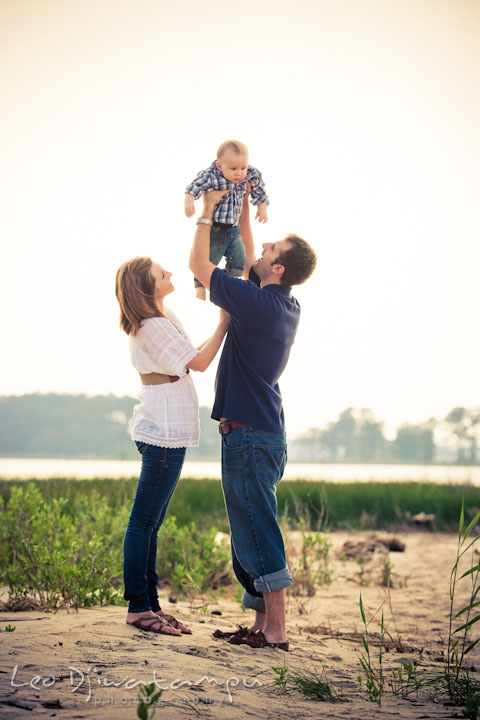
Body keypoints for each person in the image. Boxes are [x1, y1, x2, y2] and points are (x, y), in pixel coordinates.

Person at [189, 190, 317, 652]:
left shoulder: (260, 305)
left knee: (258, 530)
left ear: (278, 269)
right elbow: (248, 261)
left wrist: (206, 214)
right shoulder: (283, 305)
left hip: (250, 435)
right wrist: (241, 203)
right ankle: (262, 627)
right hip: (259, 433)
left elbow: (201, 268)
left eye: (269, 251)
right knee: (250, 529)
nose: (260, 249)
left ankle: (277, 632)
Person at [115, 256, 229, 635]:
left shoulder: (159, 319)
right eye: (162, 275)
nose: (170, 275)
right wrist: (224, 322)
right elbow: (198, 362)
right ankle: (138, 608)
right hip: (163, 430)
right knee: (143, 522)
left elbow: (185, 358)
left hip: (167, 428)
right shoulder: (151, 326)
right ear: (148, 288)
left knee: (152, 524)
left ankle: (150, 604)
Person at [185, 140, 269, 300]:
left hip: (234, 228)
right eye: (233, 169)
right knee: (210, 257)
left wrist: (262, 207)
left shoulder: (249, 175)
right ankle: (199, 284)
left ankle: (233, 280)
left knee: (239, 255)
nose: (239, 173)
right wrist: (189, 201)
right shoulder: (213, 176)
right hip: (215, 227)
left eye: (243, 168)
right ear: (219, 166)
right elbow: (195, 186)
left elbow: (259, 189)